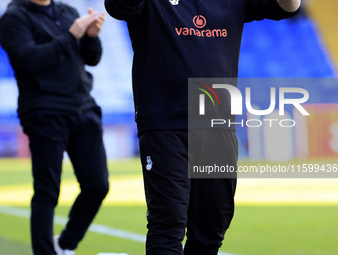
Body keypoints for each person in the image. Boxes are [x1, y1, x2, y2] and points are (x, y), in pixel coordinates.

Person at [104, 0, 301, 255]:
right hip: (165, 121)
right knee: (168, 223)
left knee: (211, 227)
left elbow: (287, 7)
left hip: (216, 120)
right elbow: (119, 7)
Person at [0, 0, 109, 254]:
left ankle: (65, 245)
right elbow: (29, 59)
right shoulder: (14, 18)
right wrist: (72, 35)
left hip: (83, 107)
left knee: (98, 185)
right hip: (44, 111)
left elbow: (91, 58)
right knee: (47, 191)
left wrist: (91, 37)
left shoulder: (67, 11)